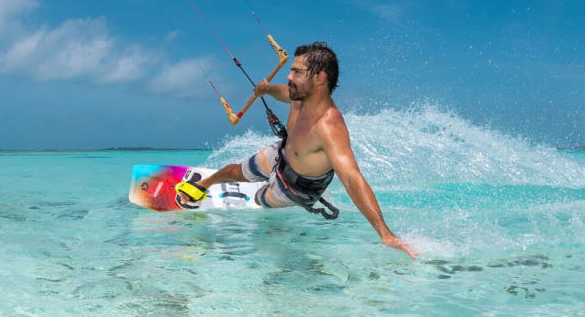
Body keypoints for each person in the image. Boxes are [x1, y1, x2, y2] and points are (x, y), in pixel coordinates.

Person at [174, 42, 417, 258]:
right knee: (234, 170)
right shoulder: (298, 96)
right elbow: (282, 92)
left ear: (319, 78)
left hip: (298, 187)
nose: (290, 77)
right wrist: (265, 89)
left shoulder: (329, 127)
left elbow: (353, 179)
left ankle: (267, 194)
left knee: (260, 199)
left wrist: (385, 233)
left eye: (297, 72)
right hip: (282, 155)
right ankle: (204, 185)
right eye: (291, 70)